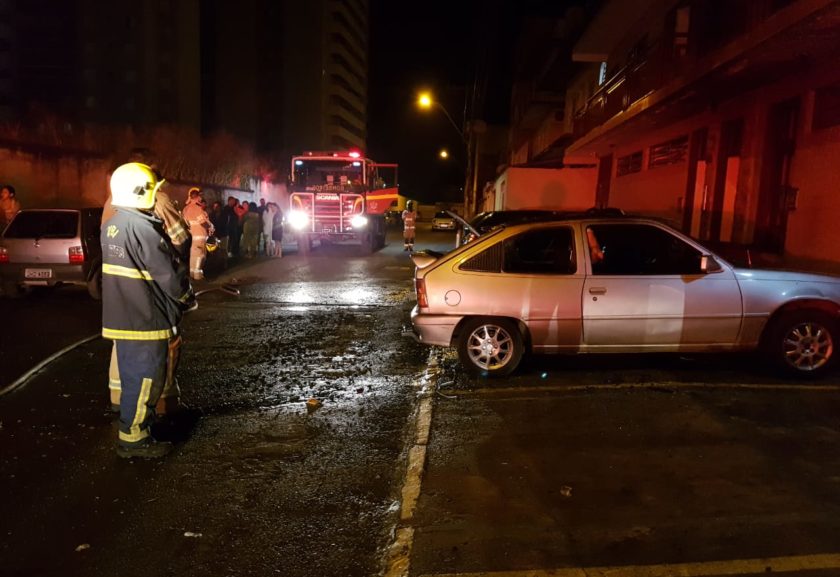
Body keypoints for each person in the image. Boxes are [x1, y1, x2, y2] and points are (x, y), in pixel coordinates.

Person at [102, 162, 194, 458]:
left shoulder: (112, 225)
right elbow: (168, 274)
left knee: (131, 376)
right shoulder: (143, 228)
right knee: (146, 378)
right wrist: (185, 298)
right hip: (146, 317)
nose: (157, 195)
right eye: (152, 190)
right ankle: (134, 439)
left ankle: (135, 425)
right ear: (140, 192)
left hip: (124, 316)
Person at [182, 187, 214, 280]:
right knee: (200, 255)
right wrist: (210, 227)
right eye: (200, 196)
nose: (201, 198)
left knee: (193, 255)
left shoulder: (186, 208)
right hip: (199, 236)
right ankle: (198, 275)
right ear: (197, 197)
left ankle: (192, 274)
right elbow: (203, 222)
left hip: (192, 235)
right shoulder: (196, 208)